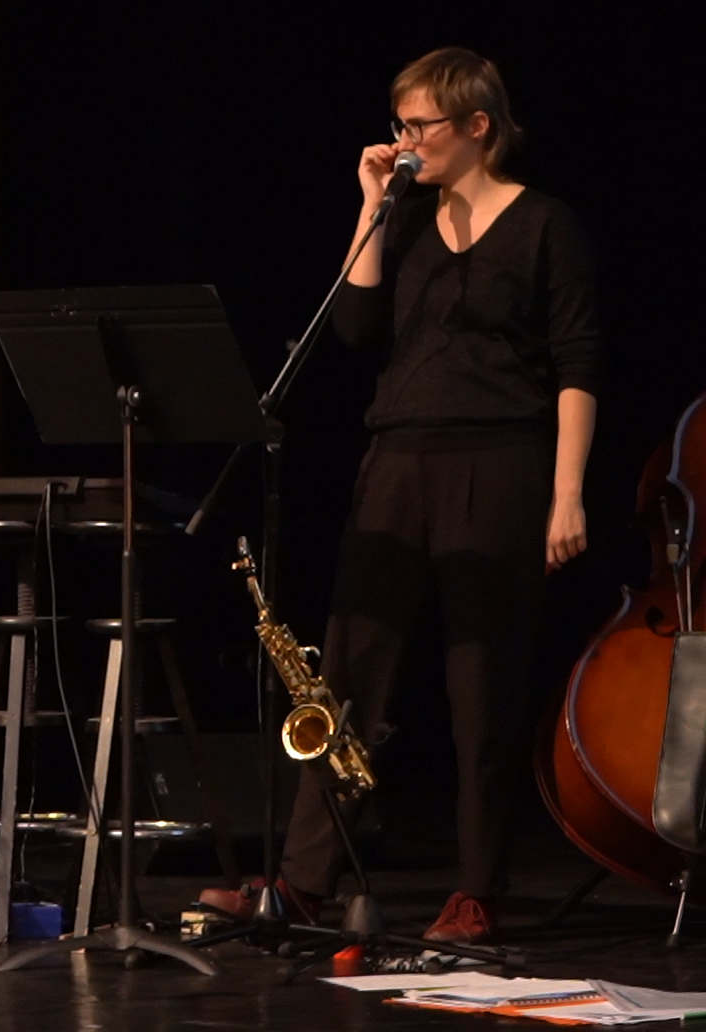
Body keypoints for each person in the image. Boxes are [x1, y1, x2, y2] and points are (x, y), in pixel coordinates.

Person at [201, 47, 601, 945]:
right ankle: (304, 880)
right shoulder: (406, 216)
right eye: (400, 125)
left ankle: (477, 889)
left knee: (482, 683)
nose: (406, 140)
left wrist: (567, 493)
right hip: (398, 456)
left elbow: (578, 364)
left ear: (477, 126)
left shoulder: (545, 225)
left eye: (421, 125)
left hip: (500, 462)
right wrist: (371, 204)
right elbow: (354, 326)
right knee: (346, 673)